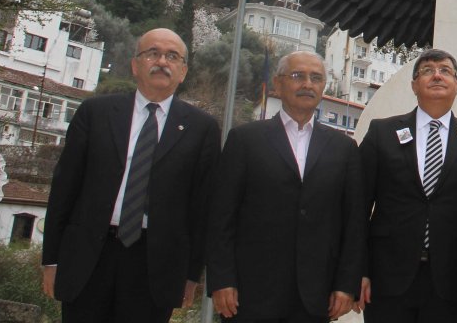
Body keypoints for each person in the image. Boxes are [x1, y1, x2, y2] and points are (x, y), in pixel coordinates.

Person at [42, 28, 220, 323]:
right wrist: (51, 259)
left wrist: (191, 275)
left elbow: (201, 209)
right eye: (153, 53)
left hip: (155, 266)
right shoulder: (95, 113)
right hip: (89, 256)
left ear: (183, 72)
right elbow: (64, 188)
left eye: (172, 56)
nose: (162, 61)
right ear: (135, 65)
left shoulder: (202, 129)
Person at [206, 51, 366, 322]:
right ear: (278, 84)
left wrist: (345, 284)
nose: (307, 84)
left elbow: (354, 223)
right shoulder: (245, 141)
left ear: (323, 87)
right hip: (250, 292)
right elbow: (221, 216)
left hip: (316, 296)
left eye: (316, 78)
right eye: (297, 76)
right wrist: (221, 279)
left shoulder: (344, 149)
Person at [357, 49, 457, 323]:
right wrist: (356, 271)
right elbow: (357, 207)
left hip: (450, 285)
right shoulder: (381, 133)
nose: (436, 75)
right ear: (414, 85)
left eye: (445, 70)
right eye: (427, 70)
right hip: (386, 280)